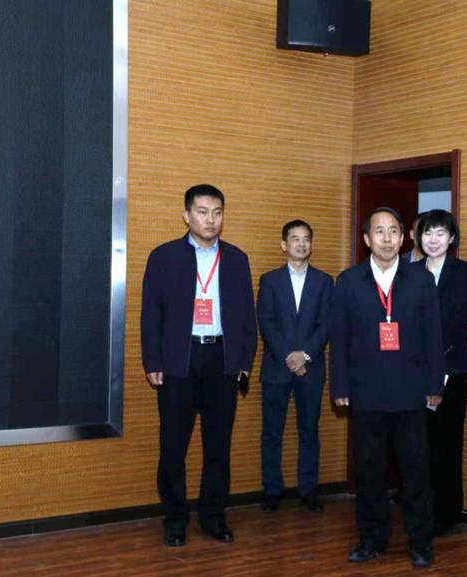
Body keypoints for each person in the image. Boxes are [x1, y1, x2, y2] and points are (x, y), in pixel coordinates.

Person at [141, 184, 257, 547]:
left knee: (218, 446)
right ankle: (175, 518)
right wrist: (153, 360)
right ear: (187, 215)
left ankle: (213, 516)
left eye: (217, 212)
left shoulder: (236, 259)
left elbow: (247, 316)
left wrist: (243, 360)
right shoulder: (164, 256)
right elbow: (150, 314)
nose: (211, 219)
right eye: (203, 212)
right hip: (180, 360)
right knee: (173, 446)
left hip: (222, 360)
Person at [329, 207, 445, 568]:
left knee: (416, 472)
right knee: (369, 472)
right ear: (367, 239)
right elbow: (339, 338)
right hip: (366, 393)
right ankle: (371, 538)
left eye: (393, 231)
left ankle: (421, 542)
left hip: (410, 392)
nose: (387, 238)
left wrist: (434, 384)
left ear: (403, 237)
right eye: (379, 231)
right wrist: (339, 385)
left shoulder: (421, 279)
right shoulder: (348, 281)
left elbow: (433, 335)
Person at [257, 220, 333, 513]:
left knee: (309, 432)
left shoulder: (324, 282)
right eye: (295, 239)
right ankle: (272, 490)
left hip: (311, 369)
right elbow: (266, 322)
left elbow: (326, 324)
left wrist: (306, 355)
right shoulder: (269, 280)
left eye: (306, 239)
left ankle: (309, 491)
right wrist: (290, 357)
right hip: (277, 368)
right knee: (271, 433)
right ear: (284, 245)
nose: (301, 244)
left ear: (311, 245)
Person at [415, 209, 467, 535]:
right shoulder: (409, 272)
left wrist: (437, 368)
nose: (433, 239)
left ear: (451, 238)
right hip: (415, 373)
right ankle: (420, 509)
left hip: (451, 370)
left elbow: (457, 321)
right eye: (428, 232)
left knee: (448, 444)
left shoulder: (462, 271)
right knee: (419, 445)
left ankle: (447, 512)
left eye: (440, 233)